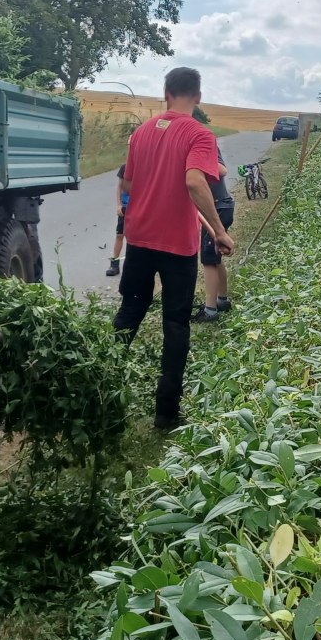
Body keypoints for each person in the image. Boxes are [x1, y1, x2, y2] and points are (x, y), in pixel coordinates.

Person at [112, 67, 233, 430]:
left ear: (165, 94)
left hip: (139, 238)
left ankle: (103, 388)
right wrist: (220, 231)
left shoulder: (141, 133)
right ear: (198, 97)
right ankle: (165, 413)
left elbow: (128, 184)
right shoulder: (200, 134)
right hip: (177, 247)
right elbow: (195, 181)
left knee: (129, 313)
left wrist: (151, 192)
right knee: (175, 324)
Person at [193, 147, 235, 322]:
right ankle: (222, 301)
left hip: (220, 207)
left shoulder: (205, 146)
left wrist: (194, 165)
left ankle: (210, 311)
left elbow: (222, 170)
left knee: (209, 260)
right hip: (213, 208)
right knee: (215, 257)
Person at [105, 163, 128, 276]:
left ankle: (131, 265)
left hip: (138, 208)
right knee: (119, 235)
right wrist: (119, 205)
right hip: (125, 206)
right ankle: (114, 264)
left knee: (133, 238)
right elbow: (120, 186)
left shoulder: (145, 166)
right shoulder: (125, 167)